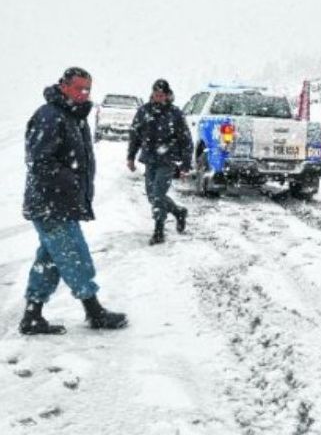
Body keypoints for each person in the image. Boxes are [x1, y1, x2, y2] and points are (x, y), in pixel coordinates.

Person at [20, 67, 128, 335]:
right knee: (75, 256)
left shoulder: (73, 117)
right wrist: (71, 180)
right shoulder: (50, 116)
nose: (83, 94)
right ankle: (94, 312)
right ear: (64, 86)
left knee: (51, 259)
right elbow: (39, 162)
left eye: (87, 89)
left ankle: (32, 316)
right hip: (50, 204)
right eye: (78, 88)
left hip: (60, 203)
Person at [127, 79, 193, 245]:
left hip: (167, 160)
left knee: (157, 194)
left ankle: (159, 231)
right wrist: (131, 156)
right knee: (152, 195)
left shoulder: (175, 113)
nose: (158, 98)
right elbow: (135, 135)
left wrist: (185, 164)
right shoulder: (144, 111)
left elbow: (186, 140)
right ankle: (178, 212)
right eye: (155, 95)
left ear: (167, 95)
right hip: (150, 159)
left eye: (161, 95)